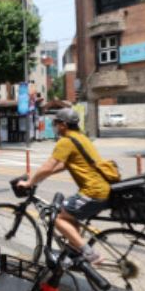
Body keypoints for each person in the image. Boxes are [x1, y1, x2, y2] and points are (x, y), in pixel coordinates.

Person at [17, 108, 110, 264]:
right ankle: (74, 252)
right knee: (69, 215)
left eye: (56, 123)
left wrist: (29, 182)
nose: (55, 127)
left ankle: (90, 254)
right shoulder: (81, 138)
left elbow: (48, 166)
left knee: (57, 218)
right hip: (102, 188)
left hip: (93, 192)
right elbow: (64, 165)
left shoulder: (66, 141)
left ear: (64, 125)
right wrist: (42, 177)